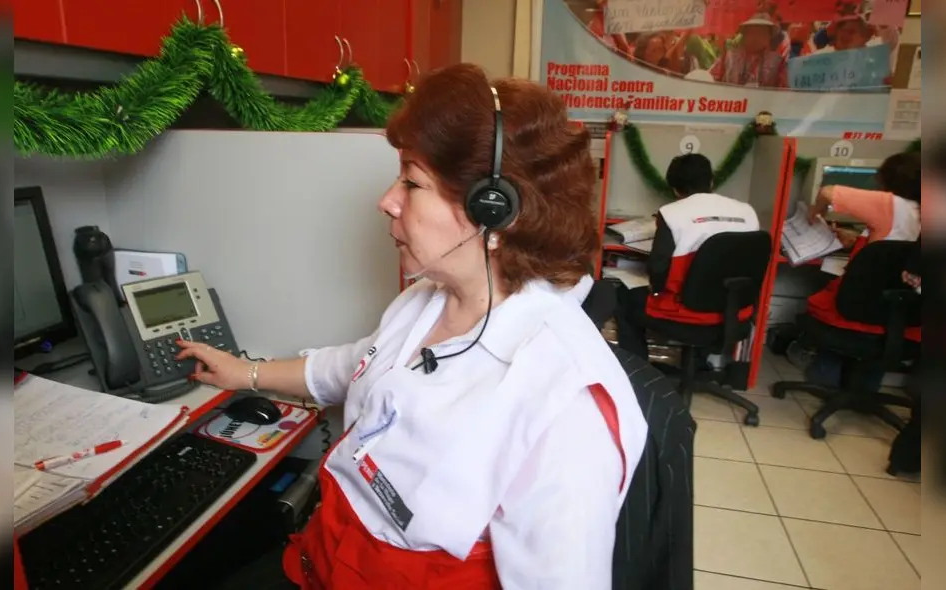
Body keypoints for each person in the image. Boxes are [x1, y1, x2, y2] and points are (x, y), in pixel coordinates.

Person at [177, 63, 648, 589]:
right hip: (317, 562)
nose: (387, 200)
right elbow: (356, 366)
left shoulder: (566, 406)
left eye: (412, 181)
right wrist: (245, 373)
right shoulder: (425, 301)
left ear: (493, 210)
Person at [616, 153, 760, 361]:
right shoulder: (747, 211)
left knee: (624, 295)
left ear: (675, 189)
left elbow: (658, 269)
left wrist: (654, 288)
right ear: (711, 181)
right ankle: (699, 364)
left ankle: (638, 371)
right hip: (735, 312)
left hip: (686, 314)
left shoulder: (672, 213)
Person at [802, 151, 922, 391]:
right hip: (907, 314)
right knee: (885, 319)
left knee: (830, 298)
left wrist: (816, 211)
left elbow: (828, 192)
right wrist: (860, 239)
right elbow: (898, 247)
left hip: (859, 307)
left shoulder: (891, 203)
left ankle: (825, 378)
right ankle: (864, 389)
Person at [709, 13, 788, 88]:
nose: (756, 37)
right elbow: (710, 80)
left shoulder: (777, 61)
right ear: (744, 34)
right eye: (752, 32)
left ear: (769, 37)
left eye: (762, 33)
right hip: (731, 100)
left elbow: (783, 90)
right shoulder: (728, 57)